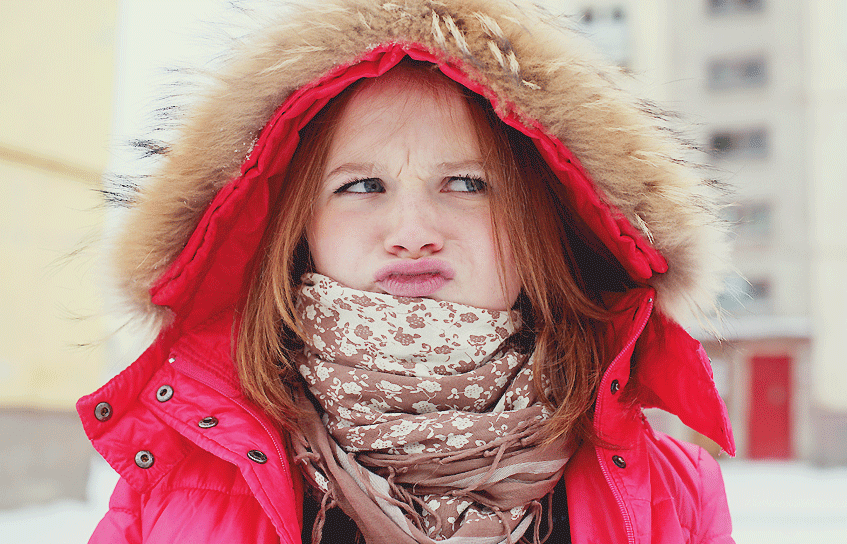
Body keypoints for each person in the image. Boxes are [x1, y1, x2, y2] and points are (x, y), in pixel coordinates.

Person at [78, 1, 736, 543]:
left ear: (540, 221)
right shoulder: (172, 486)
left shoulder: (673, 494)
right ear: (297, 229)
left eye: (466, 183)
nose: (413, 232)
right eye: (362, 185)